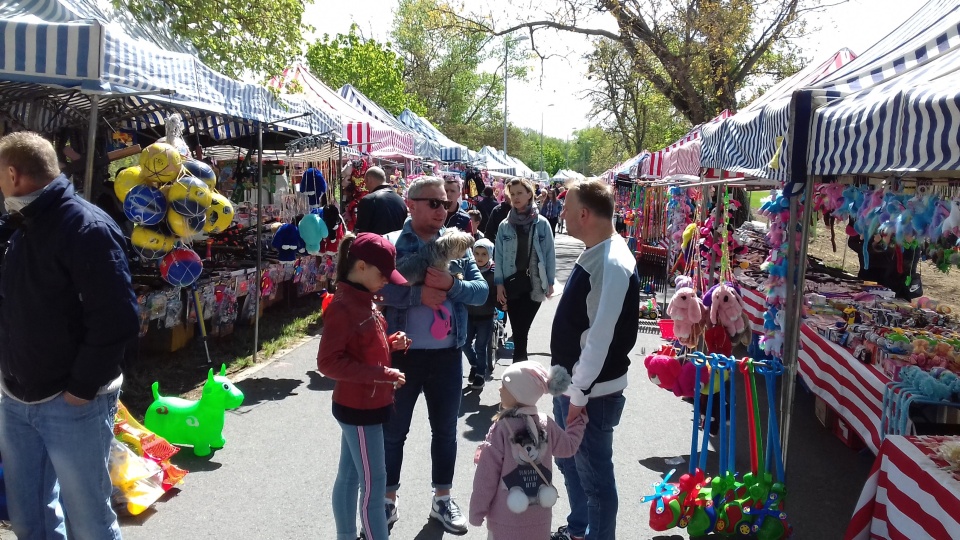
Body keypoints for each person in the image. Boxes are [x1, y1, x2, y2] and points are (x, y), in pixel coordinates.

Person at [0, 132, 139, 540]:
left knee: (88, 522)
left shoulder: (86, 227)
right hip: (16, 396)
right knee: (29, 520)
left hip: (73, 402)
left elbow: (117, 320)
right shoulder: (16, 226)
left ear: (13, 174)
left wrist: (81, 388)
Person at [379, 176, 488, 534]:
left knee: (445, 432)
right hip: (402, 357)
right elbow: (377, 292)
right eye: (435, 203)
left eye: (446, 203)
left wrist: (452, 286)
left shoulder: (456, 245)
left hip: (446, 357)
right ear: (411, 204)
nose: (444, 209)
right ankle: (387, 501)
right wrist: (418, 296)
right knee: (393, 434)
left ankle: (442, 499)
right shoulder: (392, 245)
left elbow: (481, 291)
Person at [550, 179, 640, 540]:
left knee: (595, 480)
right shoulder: (601, 251)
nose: (563, 215)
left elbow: (600, 337)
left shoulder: (611, 260)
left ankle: (591, 532)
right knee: (571, 463)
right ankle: (578, 530)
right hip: (576, 388)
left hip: (590, 394)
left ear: (584, 214)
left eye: (567, 209)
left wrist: (577, 395)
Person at [317, 232, 411, 540]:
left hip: (362, 406)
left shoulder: (361, 300)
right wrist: (381, 373)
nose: (386, 281)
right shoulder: (345, 307)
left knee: (350, 477)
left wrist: (390, 344)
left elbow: (361, 347)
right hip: (360, 409)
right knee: (374, 487)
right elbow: (328, 363)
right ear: (360, 267)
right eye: (382, 274)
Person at [469, 361, 587, 540]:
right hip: (540, 519)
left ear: (518, 393)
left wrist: (477, 512)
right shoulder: (546, 424)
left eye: (504, 386)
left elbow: (486, 476)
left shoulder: (501, 428)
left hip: (505, 519)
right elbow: (569, 447)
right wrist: (579, 421)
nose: (500, 390)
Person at [494, 178, 556, 363]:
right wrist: (498, 284)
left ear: (530, 194)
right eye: (512, 194)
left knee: (522, 328)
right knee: (519, 329)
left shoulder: (542, 223)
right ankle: (521, 369)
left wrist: (551, 282)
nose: (516, 197)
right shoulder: (505, 225)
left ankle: (519, 368)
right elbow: (498, 257)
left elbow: (549, 253)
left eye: (520, 193)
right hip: (511, 282)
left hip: (535, 283)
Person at [464, 238, 498, 389]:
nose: (480, 257)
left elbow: (497, 292)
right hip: (469, 315)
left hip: (486, 316)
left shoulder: (494, 272)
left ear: (490, 254)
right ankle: (474, 364)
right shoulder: (468, 270)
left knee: (480, 346)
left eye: (484, 254)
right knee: (464, 343)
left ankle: (480, 375)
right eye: (476, 253)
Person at [355, 166, 408, 235]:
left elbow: (361, 232)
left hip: (376, 244)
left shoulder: (368, 200)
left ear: (369, 179)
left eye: (365, 182)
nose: (366, 186)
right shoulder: (400, 200)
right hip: (397, 244)